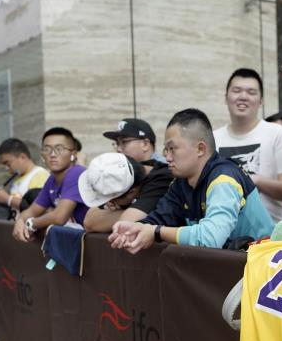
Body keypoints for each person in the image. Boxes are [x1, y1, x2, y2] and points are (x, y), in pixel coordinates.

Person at [109, 108, 273, 253]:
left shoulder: (224, 178)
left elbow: (210, 239)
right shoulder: (181, 183)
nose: (167, 157)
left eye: (172, 148)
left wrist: (156, 232)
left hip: (263, 268)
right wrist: (135, 228)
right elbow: (159, 219)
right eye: (166, 150)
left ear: (200, 149)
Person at [214, 68, 282, 222]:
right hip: (225, 232)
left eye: (251, 92)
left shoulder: (277, 134)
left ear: (261, 101)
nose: (243, 97)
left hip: (271, 235)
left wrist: (256, 181)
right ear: (226, 97)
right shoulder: (213, 138)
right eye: (237, 90)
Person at [12, 127, 88, 242]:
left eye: (59, 149)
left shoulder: (77, 173)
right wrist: (19, 221)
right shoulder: (52, 180)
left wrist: (30, 223)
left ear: (73, 154)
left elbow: (59, 217)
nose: (52, 154)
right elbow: (32, 211)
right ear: (42, 155)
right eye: (47, 149)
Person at [82, 147, 173, 233]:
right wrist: (140, 211)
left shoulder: (162, 179)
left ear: (131, 192)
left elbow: (124, 224)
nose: (109, 204)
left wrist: (133, 213)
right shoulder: (133, 173)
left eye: (112, 201)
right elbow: (89, 221)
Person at [0, 137, 49, 214]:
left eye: (8, 163)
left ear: (22, 157)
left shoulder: (40, 175)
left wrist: (7, 198)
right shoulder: (18, 179)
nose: (6, 168)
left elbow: (37, 208)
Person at [103, 117, 167, 164]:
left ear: (145, 144)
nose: (119, 149)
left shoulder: (166, 170)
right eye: (117, 144)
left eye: (124, 142)